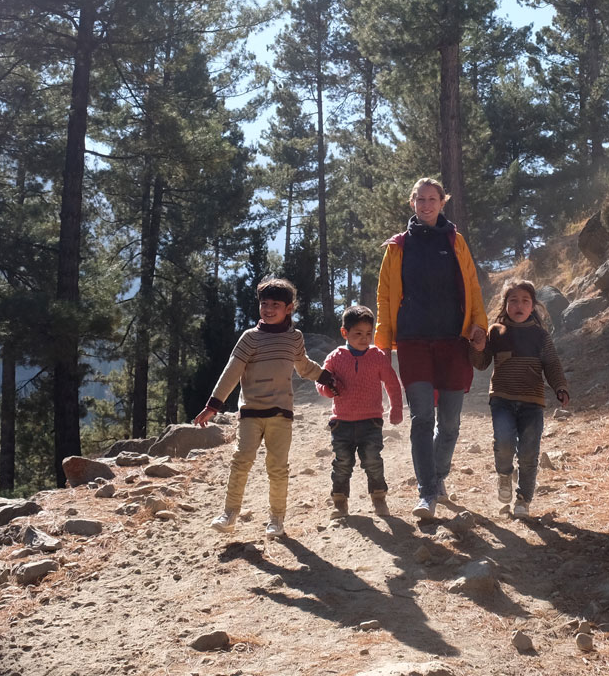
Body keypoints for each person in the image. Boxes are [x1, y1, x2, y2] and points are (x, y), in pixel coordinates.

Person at [374, 177, 488, 519]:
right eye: (420, 199)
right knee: (422, 418)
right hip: (412, 342)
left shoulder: (455, 241)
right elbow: (384, 299)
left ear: (442, 202)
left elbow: (472, 285)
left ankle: (439, 478)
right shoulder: (397, 247)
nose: (426, 204)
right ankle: (426, 492)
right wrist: (381, 347)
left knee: (450, 422)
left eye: (432, 199)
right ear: (412, 203)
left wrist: (478, 326)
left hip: (453, 341)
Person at [194, 278, 334, 537]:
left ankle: (276, 519)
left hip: (281, 414)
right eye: (264, 303)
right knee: (241, 461)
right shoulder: (250, 338)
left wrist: (326, 378)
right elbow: (231, 372)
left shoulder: (294, 338)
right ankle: (229, 514)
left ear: (289, 308)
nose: (268, 309)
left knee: (278, 467)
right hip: (250, 413)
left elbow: (303, 366)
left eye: (275, 304)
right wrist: (213, 405)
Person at [470, 277, 569, 518]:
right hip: (502, 399)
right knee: (503, 443)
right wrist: (479, 347)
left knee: (529, 453)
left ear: (533, 306)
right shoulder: (496, 331)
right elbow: (482, 364)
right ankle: (504, 475)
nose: (519, 305)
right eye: (513, 300)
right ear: (505, 305)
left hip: (532, 402)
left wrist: (560, 387)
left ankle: (524, 499)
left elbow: (552, 364)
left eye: (525, 301)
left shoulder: (540, 336)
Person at [316, 303, 403, 520]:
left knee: (373, 460)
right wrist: (329, 388)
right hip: (341, 422)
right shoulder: (335, 357)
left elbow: (392, 383)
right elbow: (321, 383)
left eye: (368, 333)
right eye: (358, 334)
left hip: (371, 421)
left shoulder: (377, 356)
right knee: (342, 463)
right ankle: (340, 502)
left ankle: (379, 498)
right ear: (344, 332)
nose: (364, 338)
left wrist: (396, 408)